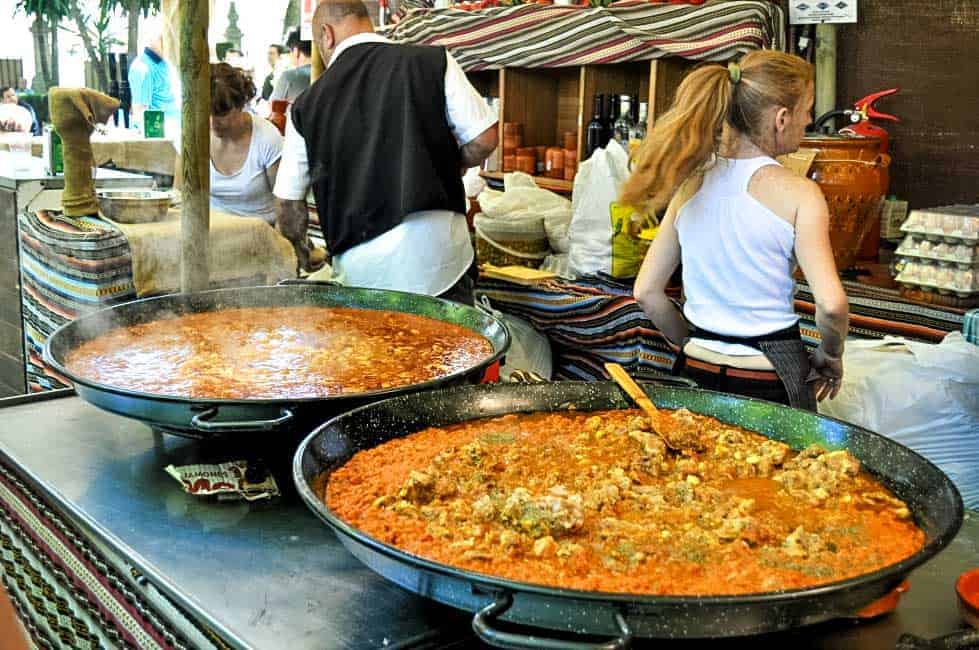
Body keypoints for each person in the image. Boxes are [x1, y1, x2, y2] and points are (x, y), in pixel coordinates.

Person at [623, 51, 849, 411]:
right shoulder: (801, 193)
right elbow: (832, 305)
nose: (809, 120)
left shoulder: (689, 186)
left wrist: (693, 344)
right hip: (773, 374)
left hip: (695, 368)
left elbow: (647, 292)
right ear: (781, 118)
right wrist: (830, 353)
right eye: (807, 109)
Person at [274, 0, 498, 303]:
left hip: (362, 273)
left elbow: (288, 208)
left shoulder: (306, 106)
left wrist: (303, 252)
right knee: (449, 348)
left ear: (326, 35)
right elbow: (484, 140)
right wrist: (446, 163)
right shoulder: (432, 61)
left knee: (377, 350)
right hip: (440, 262)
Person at [210, 63, 283, 225]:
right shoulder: (193, 136)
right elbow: (180, 198)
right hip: (213, 233)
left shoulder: (267, 138)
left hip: (261, 234)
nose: (213, 122)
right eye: (206, 113)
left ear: (240, 104)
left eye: (222, 114)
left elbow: (283, 203)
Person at [128, 34, 180, 131]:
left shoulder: (166, 62)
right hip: (163, 137)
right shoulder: (142, 68)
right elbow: (140, 113)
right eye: (163, 39)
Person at [270, 29, 312, 104]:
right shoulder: (330, 74)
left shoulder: (289, 77)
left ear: (296, 52)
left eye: (290, 52)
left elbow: (273, 107)